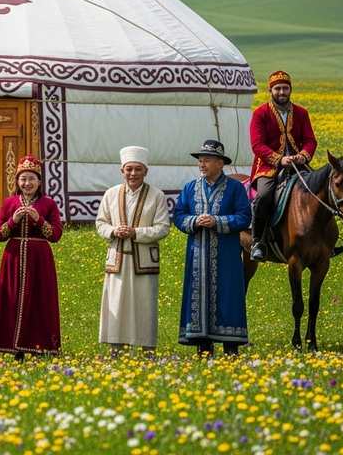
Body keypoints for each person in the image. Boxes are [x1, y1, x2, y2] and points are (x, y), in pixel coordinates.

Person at [173, 140, 251, 357]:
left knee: (228, 294)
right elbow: (179, 215)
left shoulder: (235, 188)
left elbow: (245, 217)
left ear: (220, 163)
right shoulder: (190, 188)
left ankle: (231, 347)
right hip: (197, 255)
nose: (202, 164)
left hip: (226, 256)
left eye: (207, 160)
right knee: (198, 296)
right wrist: (195, 221)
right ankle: (203, 346)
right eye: (200, 160)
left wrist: (217, 221)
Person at [95, 146, 171, 356]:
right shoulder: (110, 194)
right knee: (117, 304)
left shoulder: (156, 195)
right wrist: (113, 231)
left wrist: (135, 232)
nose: (133, 173)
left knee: (144, 305)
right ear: (122, 171)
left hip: (143, 261)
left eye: (138, 169)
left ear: (146, 171)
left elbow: (163, 228)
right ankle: (116, 349)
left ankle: (148, 350)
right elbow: (101, 223)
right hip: (117, 259)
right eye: (129, 169)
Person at [0, 154, 62, 361]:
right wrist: (13, 220)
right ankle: (14, 348)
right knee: (11, 299)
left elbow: (56, 235)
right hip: (13, 258)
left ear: (39, 181)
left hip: (40, 260)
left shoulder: (48, 204)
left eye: (31, 179)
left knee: (40, 300)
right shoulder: (9, 203)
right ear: (17, 181)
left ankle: (40, 347)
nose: (27, 183)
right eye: (23, 179)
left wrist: (39, 220)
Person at [249, 70, 318, 262]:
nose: (282, 92)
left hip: (298, 165)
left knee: (322, 189)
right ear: (270, 90)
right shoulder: (260, 114)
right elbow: (257, 144)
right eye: (277, 88)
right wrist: (279, 160)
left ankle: (325, 241)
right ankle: (257, 242)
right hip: (269, 167)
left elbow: (310, 140)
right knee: (263, 196)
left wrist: (304, 156)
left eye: (285, 88)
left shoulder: (302, 113)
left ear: (290, 90)